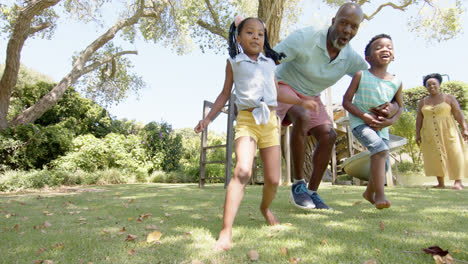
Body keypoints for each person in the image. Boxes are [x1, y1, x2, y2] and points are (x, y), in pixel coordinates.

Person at [194, 17, 318, 251]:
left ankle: (265, 208)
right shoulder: (234, 62)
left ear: (265, 39)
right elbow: (223, 95)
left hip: (270, 122)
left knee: (273, 179)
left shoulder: (270, 62)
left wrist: (302, 100)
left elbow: (277, 92)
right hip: (247, 120)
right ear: (238, 38)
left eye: (260, 34)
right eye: (249, 33)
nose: (255, 37)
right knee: (242, 170)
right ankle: (225, 231)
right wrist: (207, 119)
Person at [273, 3, 397, 210]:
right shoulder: (305, 38)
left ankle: (312, 192)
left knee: (329, 134)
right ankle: (298, 185)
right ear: (333, 22)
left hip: (311, 95)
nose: (348, 30)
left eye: (354, 27)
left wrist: (392, 105)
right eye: (343, 23)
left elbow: (373, 79)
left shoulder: (350, 58)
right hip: (283, 86)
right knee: (302, 115)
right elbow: (268, 60)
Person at [342, 34, 403, 209]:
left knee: (382, 163)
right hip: (361, 123)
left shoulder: (396, 81)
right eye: (379, 47)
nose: (385, 49)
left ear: (393, 55)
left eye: (389, 47)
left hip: (382, 127)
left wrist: (390, 121)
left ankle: (368, 192)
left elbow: (400, 106)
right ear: (368, 58)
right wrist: (364, 116)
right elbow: (346, 101)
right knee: (380, 149)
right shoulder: (361, 75)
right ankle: (380, 195)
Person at [416, 73, 468, 190]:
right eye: (428, 85)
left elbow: (458, 114)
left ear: (439, 85)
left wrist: (465, 128)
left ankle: (458, 182)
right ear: (426, 87)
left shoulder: (449, 98)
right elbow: (419, 119)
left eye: (434, 84)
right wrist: (417, 134)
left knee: (454, 153)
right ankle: (440, 183)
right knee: (433, 155)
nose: (431, 86)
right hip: (429, 132)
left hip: (448, 130)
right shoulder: (423, 102)